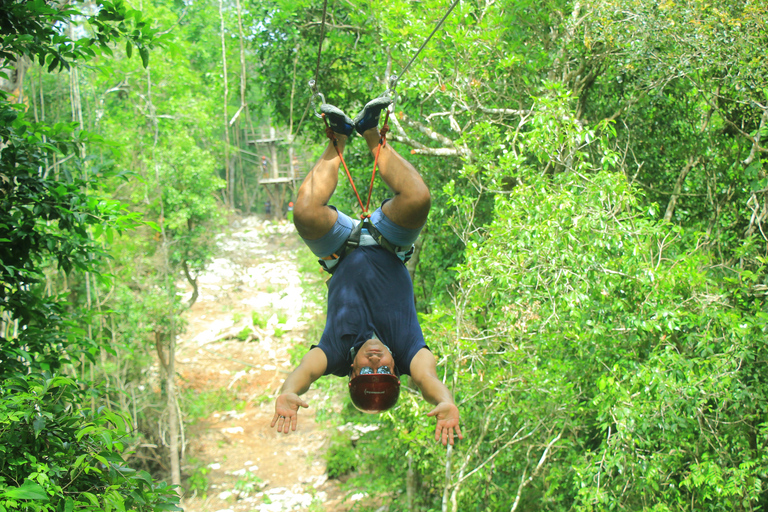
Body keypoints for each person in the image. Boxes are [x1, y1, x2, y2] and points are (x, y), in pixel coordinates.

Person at [271, 96, 462, 446]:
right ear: (395, 371)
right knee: (418, 198)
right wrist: (445, 401)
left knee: (305, 213)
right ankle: (372, 133)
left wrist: (287, 392)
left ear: (352, 373)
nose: (375, 361)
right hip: (390, 243)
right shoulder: (409, 352)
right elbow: (426, 379)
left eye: (367, 371)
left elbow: (305, 372)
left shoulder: (334, 352)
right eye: (384, 370)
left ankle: (339, 138)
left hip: (340, 252)